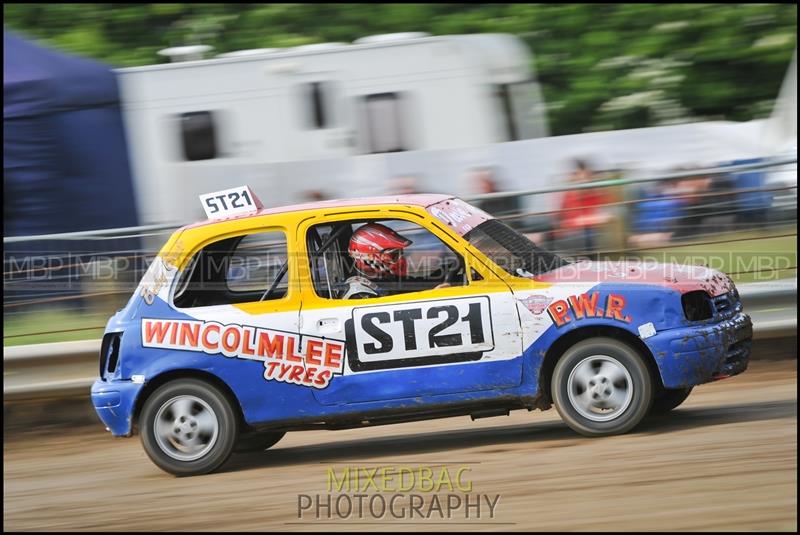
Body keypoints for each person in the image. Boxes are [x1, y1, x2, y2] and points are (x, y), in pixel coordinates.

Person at [340, 222, 451, 298]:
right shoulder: (359, 291)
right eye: (393, 255)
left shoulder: (381, 279)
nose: (399, 259)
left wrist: (449, 269)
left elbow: (417, 284)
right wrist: (432, 295)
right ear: (368, 257)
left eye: (399, 253)